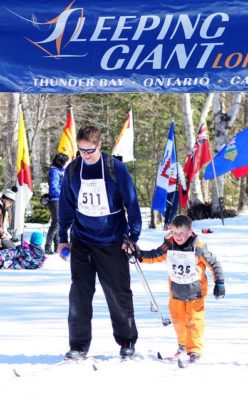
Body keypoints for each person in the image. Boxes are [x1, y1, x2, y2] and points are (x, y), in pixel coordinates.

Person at [58, 125, 142, 360]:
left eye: (90, 151)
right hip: (82, 240)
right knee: (79, 295)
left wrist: (132, 238)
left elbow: (132, 204)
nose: (85, 155)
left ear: (99, 146)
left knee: (118, 294)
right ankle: (78, 345)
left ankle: (126, 341)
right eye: (82, 150)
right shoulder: (73, 170)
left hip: (112, 242)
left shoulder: (116, 169)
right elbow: (65, 205)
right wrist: (62, 238)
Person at [138, 214, 225, 363]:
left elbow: (214, 263)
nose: (178, 237)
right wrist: (139, 255)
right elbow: (155, 255)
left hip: (195, 292)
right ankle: (183, 345)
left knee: (194, 321)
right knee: (178, 320)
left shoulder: (198, 247)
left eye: (181, 233)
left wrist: (220, 282)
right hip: (176, 291)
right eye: (175, 233)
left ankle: (194, 349)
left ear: (190, 232)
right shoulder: (169, 244)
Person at [45, 153, 70, 255]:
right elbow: (53, 187)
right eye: (66, 162)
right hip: (55, 199)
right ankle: (47, 246)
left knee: (58, 223)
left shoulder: (60, 171)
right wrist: (63, 194)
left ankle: (56, 246)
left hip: (60, 199)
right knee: (56, 223)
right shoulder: (54, 171)